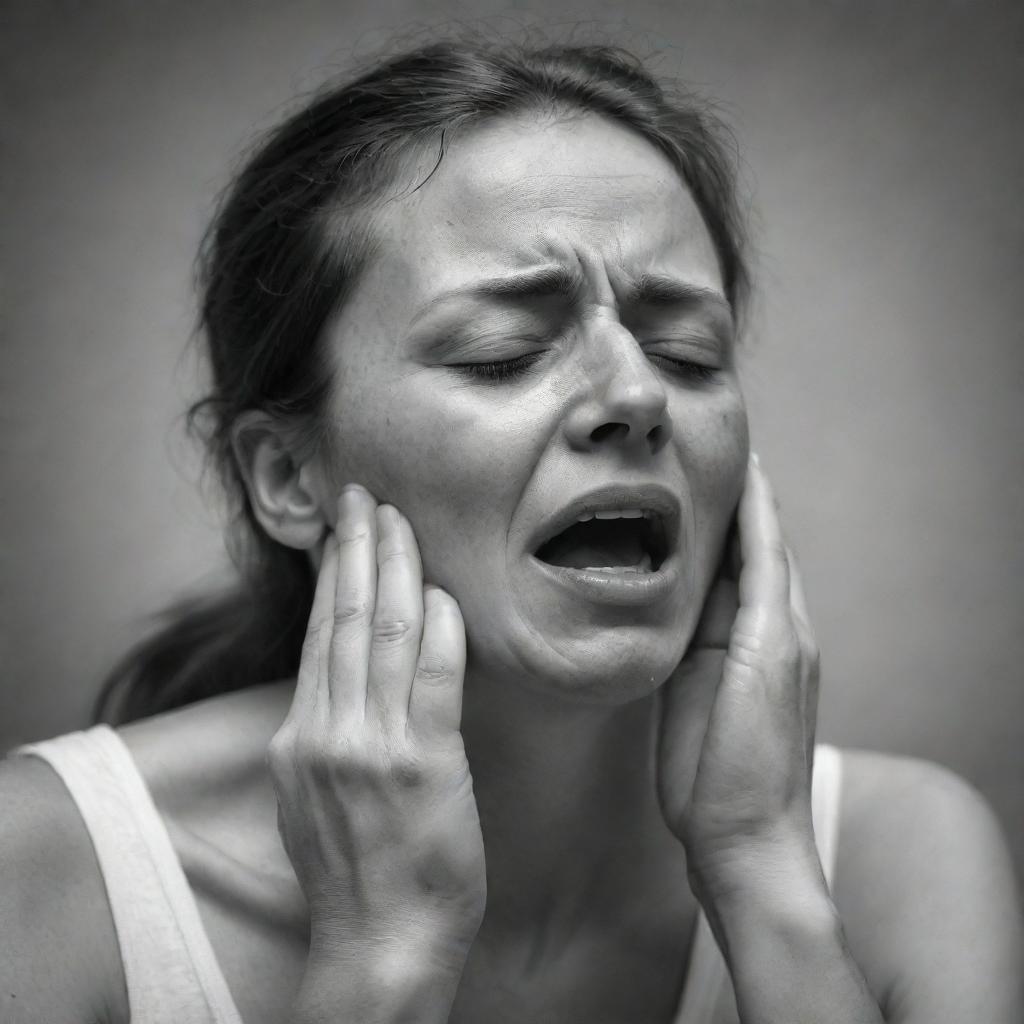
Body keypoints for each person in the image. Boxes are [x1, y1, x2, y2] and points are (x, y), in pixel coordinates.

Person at [1, 38, 1020, 1024]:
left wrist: (762, 877)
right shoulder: (50, 866)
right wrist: (382, 957)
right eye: (501, 355)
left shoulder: (905, 858)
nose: (635, 393)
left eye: (686, 352)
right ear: (287, 476)